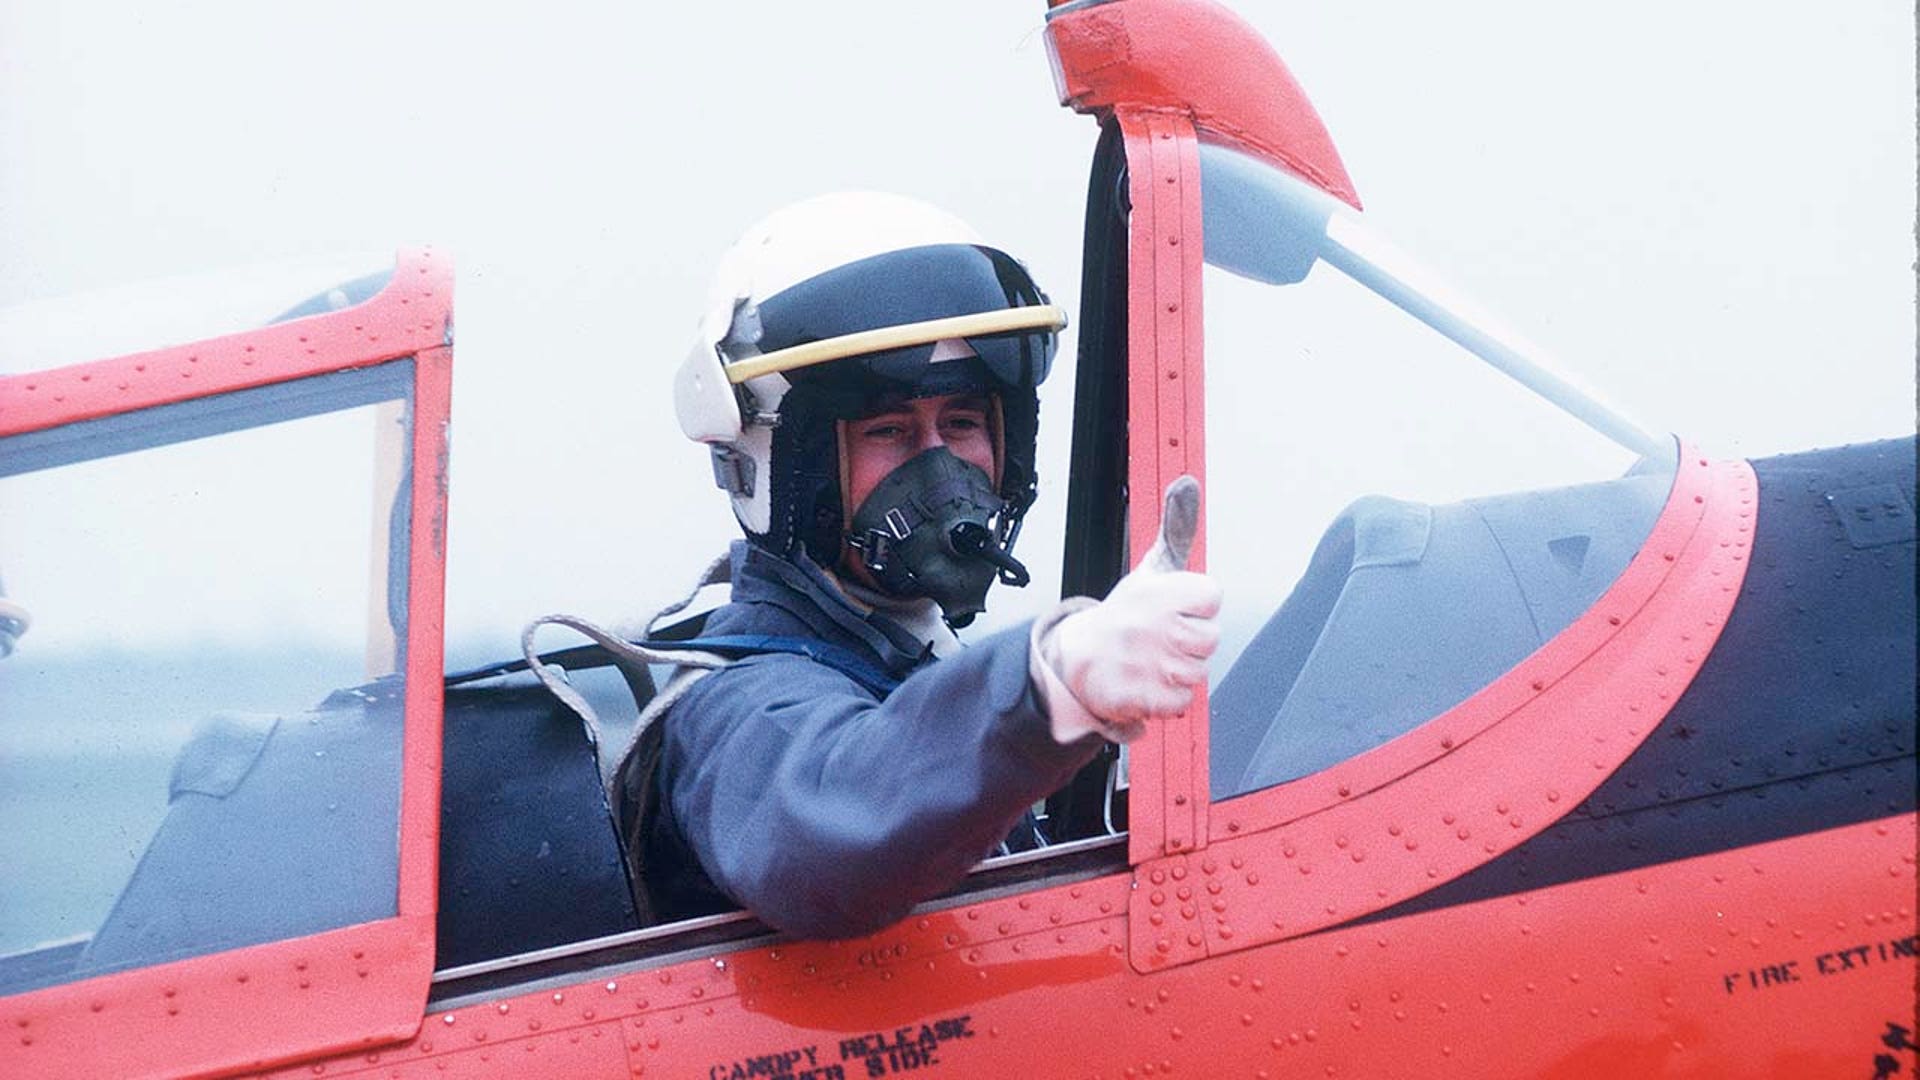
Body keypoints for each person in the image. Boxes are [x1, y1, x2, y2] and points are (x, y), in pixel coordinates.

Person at [613, 192, 1220, 939]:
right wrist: (1049, 681)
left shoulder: (901, 653)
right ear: (782, 468)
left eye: (962, 422)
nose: (941, 471)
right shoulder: (732, 711)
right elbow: (830, 824)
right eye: (888, 430)